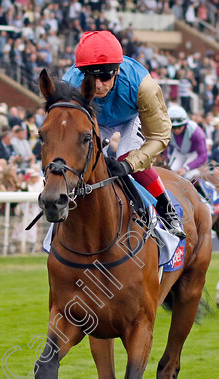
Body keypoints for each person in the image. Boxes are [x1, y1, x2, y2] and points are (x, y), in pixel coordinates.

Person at [62, 31, 184, 238]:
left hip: (131, 118)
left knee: (127, 157)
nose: (98, 85)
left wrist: (128, 165)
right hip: (95, 119)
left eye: (105, 76)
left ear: (117, 70)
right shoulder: (69, 85)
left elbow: (160, 136)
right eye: (91, 77)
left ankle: (166, 208)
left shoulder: (144, 86)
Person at [166, 105, 211, 205]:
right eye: (173, 127)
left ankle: (205, 200)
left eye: (179, 127)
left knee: (187, 175)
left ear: (185, 124)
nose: (176, 130)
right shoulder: (166, 130)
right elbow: (164, 149)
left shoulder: (197, 133)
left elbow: (203, 156)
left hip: (194, 153)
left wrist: (186, 167)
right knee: (170, 173)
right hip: (179, 152)